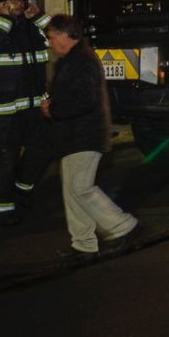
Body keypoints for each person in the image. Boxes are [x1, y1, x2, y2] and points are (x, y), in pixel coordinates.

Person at [42, 14, 139, 262]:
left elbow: (85, 100)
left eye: (52, 37)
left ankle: (122, 227)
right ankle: (84, 244)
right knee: (71, 192)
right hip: (71, 135)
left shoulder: (82, 62)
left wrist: (53, 109)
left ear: (66, 36)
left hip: (85, 134)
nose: (50, 43)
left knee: (81, 187)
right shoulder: (71, 60)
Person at [0, 0, 55, 225]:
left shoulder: (32, 29)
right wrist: (7, 18)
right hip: (6, 111)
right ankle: (1, 207)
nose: (17, 4)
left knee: (42, 150)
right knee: (6, 156)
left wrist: (39, 16)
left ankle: (22, 188)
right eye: (11, 0)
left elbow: (61, 38)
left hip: (35, 108)